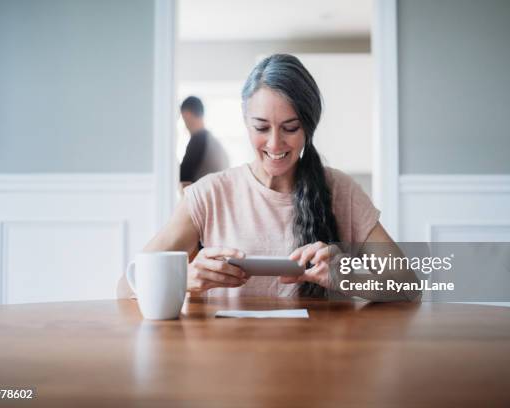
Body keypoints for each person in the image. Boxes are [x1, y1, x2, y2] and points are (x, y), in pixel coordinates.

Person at [119, 54, 419, 300]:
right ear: (245, 122)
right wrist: (182, 280)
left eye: (290, 128)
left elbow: (409, 285)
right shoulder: (208, 195)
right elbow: (125, 288)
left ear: (308, 126)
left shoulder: (340, 190)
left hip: (322, 363)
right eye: (261, 128)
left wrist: (347, 277)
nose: (275, 144)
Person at [179, 96, 229, 188]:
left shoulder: (198, 140)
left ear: (187, 115)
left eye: (183, 119)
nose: (185, 125)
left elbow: (183, 177)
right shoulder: (212, 141)